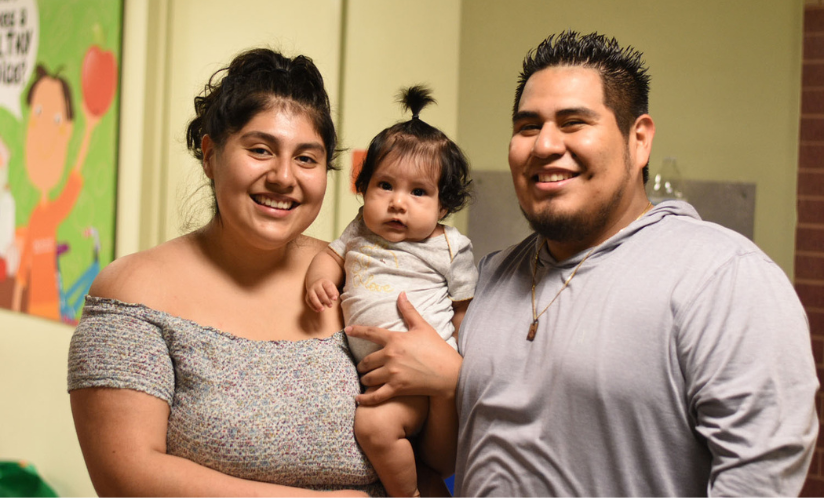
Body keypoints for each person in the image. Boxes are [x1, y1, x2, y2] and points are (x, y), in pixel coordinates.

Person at [346, 31, 819, 496]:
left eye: (573, 122)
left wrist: (455, 377)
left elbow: (760, 477)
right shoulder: (485, 280)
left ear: (639, 140)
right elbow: (437, 457)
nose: (545, 145)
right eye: (528, 126)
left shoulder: (724, 277)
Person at [68, 48, 383, 496]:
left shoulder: (359, 274)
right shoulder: (134, 294)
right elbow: (128, 477)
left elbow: (430, 441)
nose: (283, 176)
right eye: (260, 150)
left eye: (307, 159)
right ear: (211, 155)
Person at [305, 86, 476, 497]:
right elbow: (330, 256)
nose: (398, 203)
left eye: (418, 192)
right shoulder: (361, 228)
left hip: (420, 378)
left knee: (374, 427)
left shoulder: (450, 247)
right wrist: (318, 279)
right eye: (385, 185)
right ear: (364, 189)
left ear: (444, 205)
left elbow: (464, 311)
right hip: (375, 376)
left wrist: (459, 366)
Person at [13, 65, 102, 319]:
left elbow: (74, 180)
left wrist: (89, 130)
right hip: (34, 307)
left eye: (57, 121)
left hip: (49, 306)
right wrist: (17, 306)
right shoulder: (36, 216)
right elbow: (22, 268)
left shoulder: (52, 213)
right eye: (37, 115)